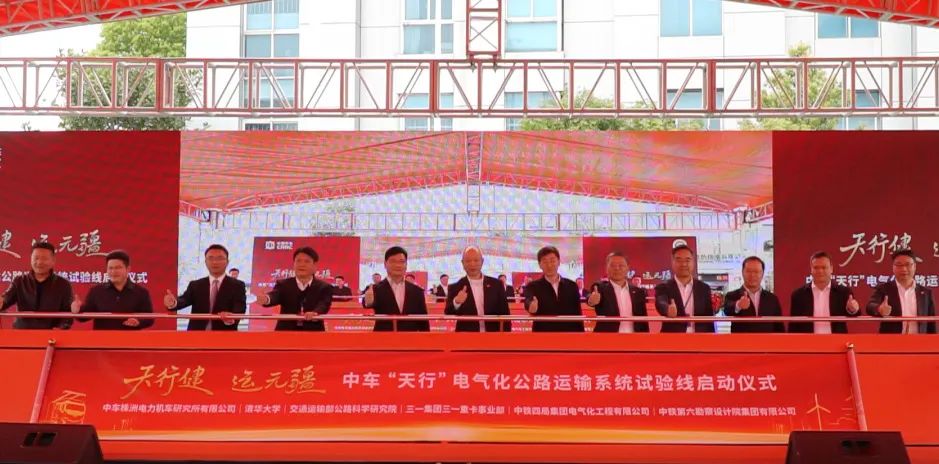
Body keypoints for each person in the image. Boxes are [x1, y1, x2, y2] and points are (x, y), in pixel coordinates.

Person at [164, 244, 246, 331]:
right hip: (197, 335)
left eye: (220, 258)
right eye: (210, 258)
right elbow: (184, 300)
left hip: (224, 334)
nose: (215, 262)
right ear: (206, 262)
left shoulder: (238, 285)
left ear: (227, 262)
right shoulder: (195, 285)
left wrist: (232, 317)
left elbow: (240, 307)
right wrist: (173, 303)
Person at [256, 247, 333, 331]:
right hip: (286, 332)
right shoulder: (283, 284)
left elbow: (324, 304)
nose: (302, 264)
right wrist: (266, 299)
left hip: (313, 331)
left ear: (315, 266)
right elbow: (275, 296)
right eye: (298, 261)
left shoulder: (324, 287)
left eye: (307, 261)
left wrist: (315, 312)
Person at [73, 250, 154, 330]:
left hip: (130, 337)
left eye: (118, 268)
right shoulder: (96, 291)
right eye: (110, 268)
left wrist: (138, 321)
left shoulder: (141, 292)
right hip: (103, 338)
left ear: (128, 269)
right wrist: (77, 310)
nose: (113, 271)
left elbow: (149, 318)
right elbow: (84, 317)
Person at [1, 242, 74, 329]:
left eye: (44, 259)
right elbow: (6, 299)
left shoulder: (63, 284)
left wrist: (61, 328)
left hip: (51, 334)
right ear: (31, 259)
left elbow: (67, 314)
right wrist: (2, 302)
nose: (39, 262)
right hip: (22, 333)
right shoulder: (19, 281)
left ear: (53, 260)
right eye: (36, 258)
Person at [866, 249, 936, 334]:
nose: (904, 269)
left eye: (908, 265)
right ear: (893, 267)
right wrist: (879, 309)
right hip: (891, 339)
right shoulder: (883, 288)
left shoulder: (926, 292)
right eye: (899, 265)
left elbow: (931, 321)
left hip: (920, 340)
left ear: (914, 266)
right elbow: (870, 306)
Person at [788, 251, 860, 334]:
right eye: (816, 268)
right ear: (811, 269)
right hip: (808, 340)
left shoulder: (843, 292)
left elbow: (855, 314)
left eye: (824, 267)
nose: (820, 271)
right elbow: (793, 325)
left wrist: (852, 309)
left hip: (836, 340)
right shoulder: (798, 295)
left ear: (831, 269)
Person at [444, 247, 511, 332]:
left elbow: (505, 314)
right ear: (462, 263)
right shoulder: (455, 287)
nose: (472, 264)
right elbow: (448, 312)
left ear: (482, 261)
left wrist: (506, 336)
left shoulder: (497, 285)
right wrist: (456, 302)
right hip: (466, 336)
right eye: (468, 261)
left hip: (493, 335)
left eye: (476, 260)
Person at [363, 247, 429, 332]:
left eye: (402, 261)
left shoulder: (417, 291)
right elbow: (367, 303)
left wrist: (426, 338)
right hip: (383, 337)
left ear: (406, 265)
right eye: (393, 261)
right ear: (385, 264)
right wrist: (368, 302)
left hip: (410, 337)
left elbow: (423, 321)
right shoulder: (375, 288)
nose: (398, 265)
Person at [655, 245, 714, 333]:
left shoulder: (704, 288)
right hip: (673, 337)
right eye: (679, 260)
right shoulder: (663, 287)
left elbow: (709, 316)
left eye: (687, 260)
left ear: (693, 262)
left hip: (700, 337)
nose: (683, 264)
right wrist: (667, 309)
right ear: (672, 262)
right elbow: (661, 302)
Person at [523, 246, 584, 332]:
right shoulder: (533, 286)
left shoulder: (572, 286)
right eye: (545, 262)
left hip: (569, 334)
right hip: (544, 334)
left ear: (559, 262)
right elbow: (528, 301)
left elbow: (578, 313)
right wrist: (531, 307)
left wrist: (581, 335)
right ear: (539, 265)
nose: (549, 265)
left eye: (552, 261)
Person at [586, 252, 649, 333]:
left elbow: (643, 320)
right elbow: (590, 297)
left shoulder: (638, 292)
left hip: (634, 338)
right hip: (607, 337)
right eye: (612, 265)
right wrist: (591, 301)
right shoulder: (600, 289)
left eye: (621, 265)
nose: (617, 268)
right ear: (606, 268)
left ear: (628, 268)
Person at [723, 256, 785, 333]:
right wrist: (738, 305)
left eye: (756, 272)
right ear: (742, 272)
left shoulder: (772, 299)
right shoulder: (732, 295)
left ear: (762, 274)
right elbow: (727, 310)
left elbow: (779, 327)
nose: (752, 275)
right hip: (741, 340)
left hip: (767, 340)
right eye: (748, 271)